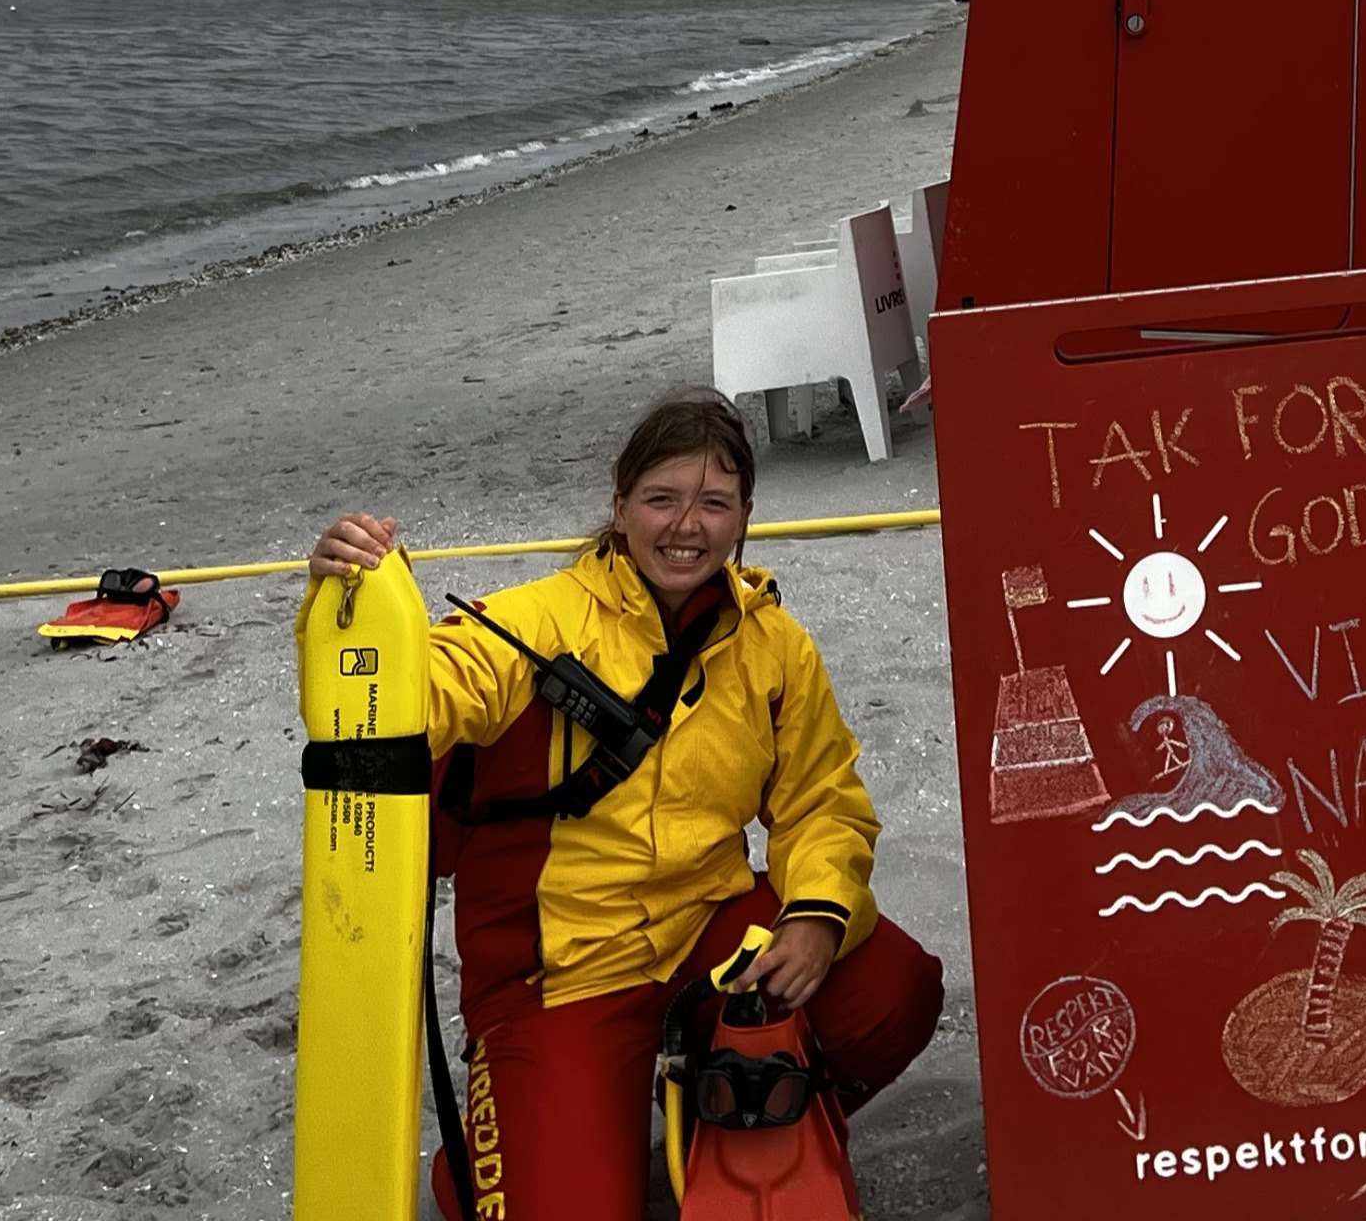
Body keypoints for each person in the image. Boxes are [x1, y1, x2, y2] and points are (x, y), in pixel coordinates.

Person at [308, 388, 944, 1219]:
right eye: (662, 499)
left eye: (715, 503)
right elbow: (402, 699)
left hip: (710, 931)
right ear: (619, 504)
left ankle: (704, 1131)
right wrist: (347, 601)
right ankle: (507, 1154)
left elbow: (823, 800)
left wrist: (818, 916)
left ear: (747, 514)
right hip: (560, 973)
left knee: (893, 993)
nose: (688, 526)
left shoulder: (772, 643)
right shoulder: (537, 621)